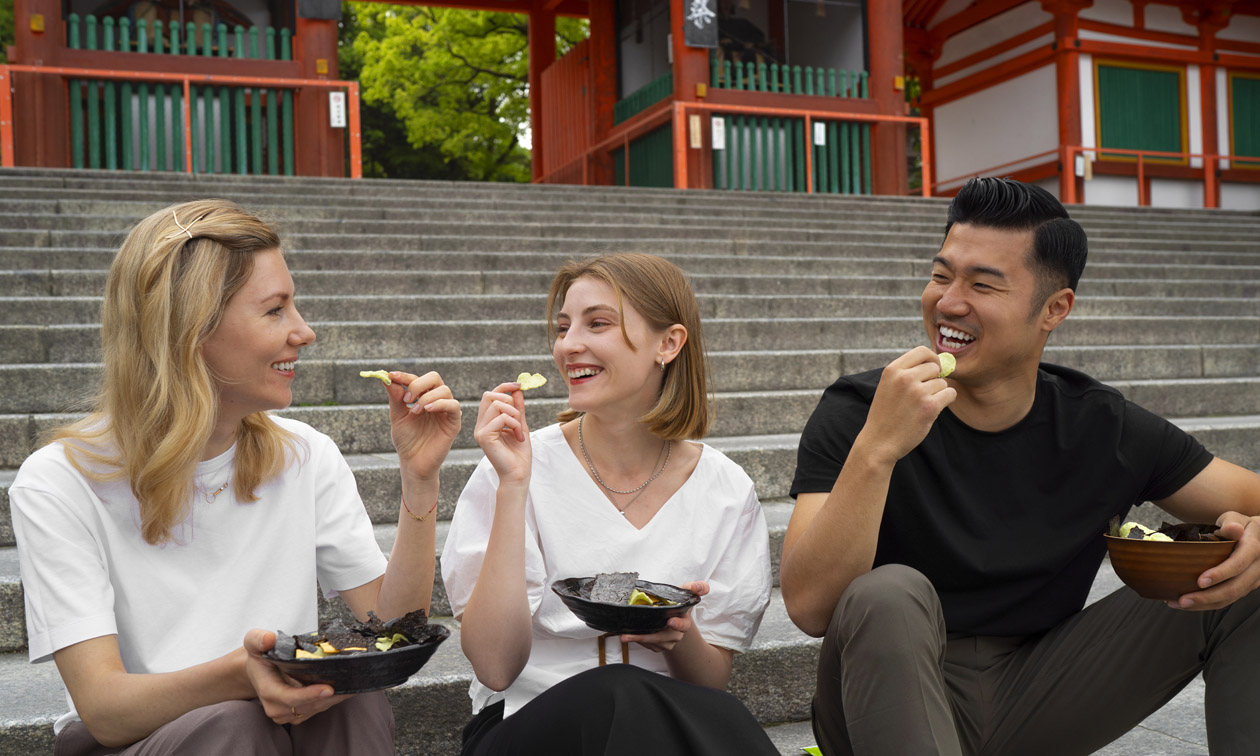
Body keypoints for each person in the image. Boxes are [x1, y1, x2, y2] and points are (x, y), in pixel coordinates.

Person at [782, 177, 1260, 756]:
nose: (949, 302)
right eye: (941, 276)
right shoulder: (863, 411)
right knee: (887, 594)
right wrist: (878, 449)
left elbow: (1249, 497)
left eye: (982, 284)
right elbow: (809, 608)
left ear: (1053, 309)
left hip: (1040, 687)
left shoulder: (1101, 427)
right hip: (883, 699)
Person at [11, 199, 461, 755]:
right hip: (137, 742)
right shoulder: (59, 481)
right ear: (188, 329)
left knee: (356, 704)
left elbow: (394, 629)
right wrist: (244, 676)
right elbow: (104, 710)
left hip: (285, 729)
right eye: (275, 310)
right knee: (233, 726)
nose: (305, 332)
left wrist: (420, 479)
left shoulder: (305, 455)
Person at [441, 252, 778, 756]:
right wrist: (513, 486)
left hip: (658, 730)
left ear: (669, 343)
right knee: (618, 691)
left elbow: (710, 685)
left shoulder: (725, 489)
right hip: (525, 725)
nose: (568, 345)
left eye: (597, 323)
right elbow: (493, 666)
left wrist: (680, 634)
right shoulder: (515, 465)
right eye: (562, 327)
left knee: (678, 708)